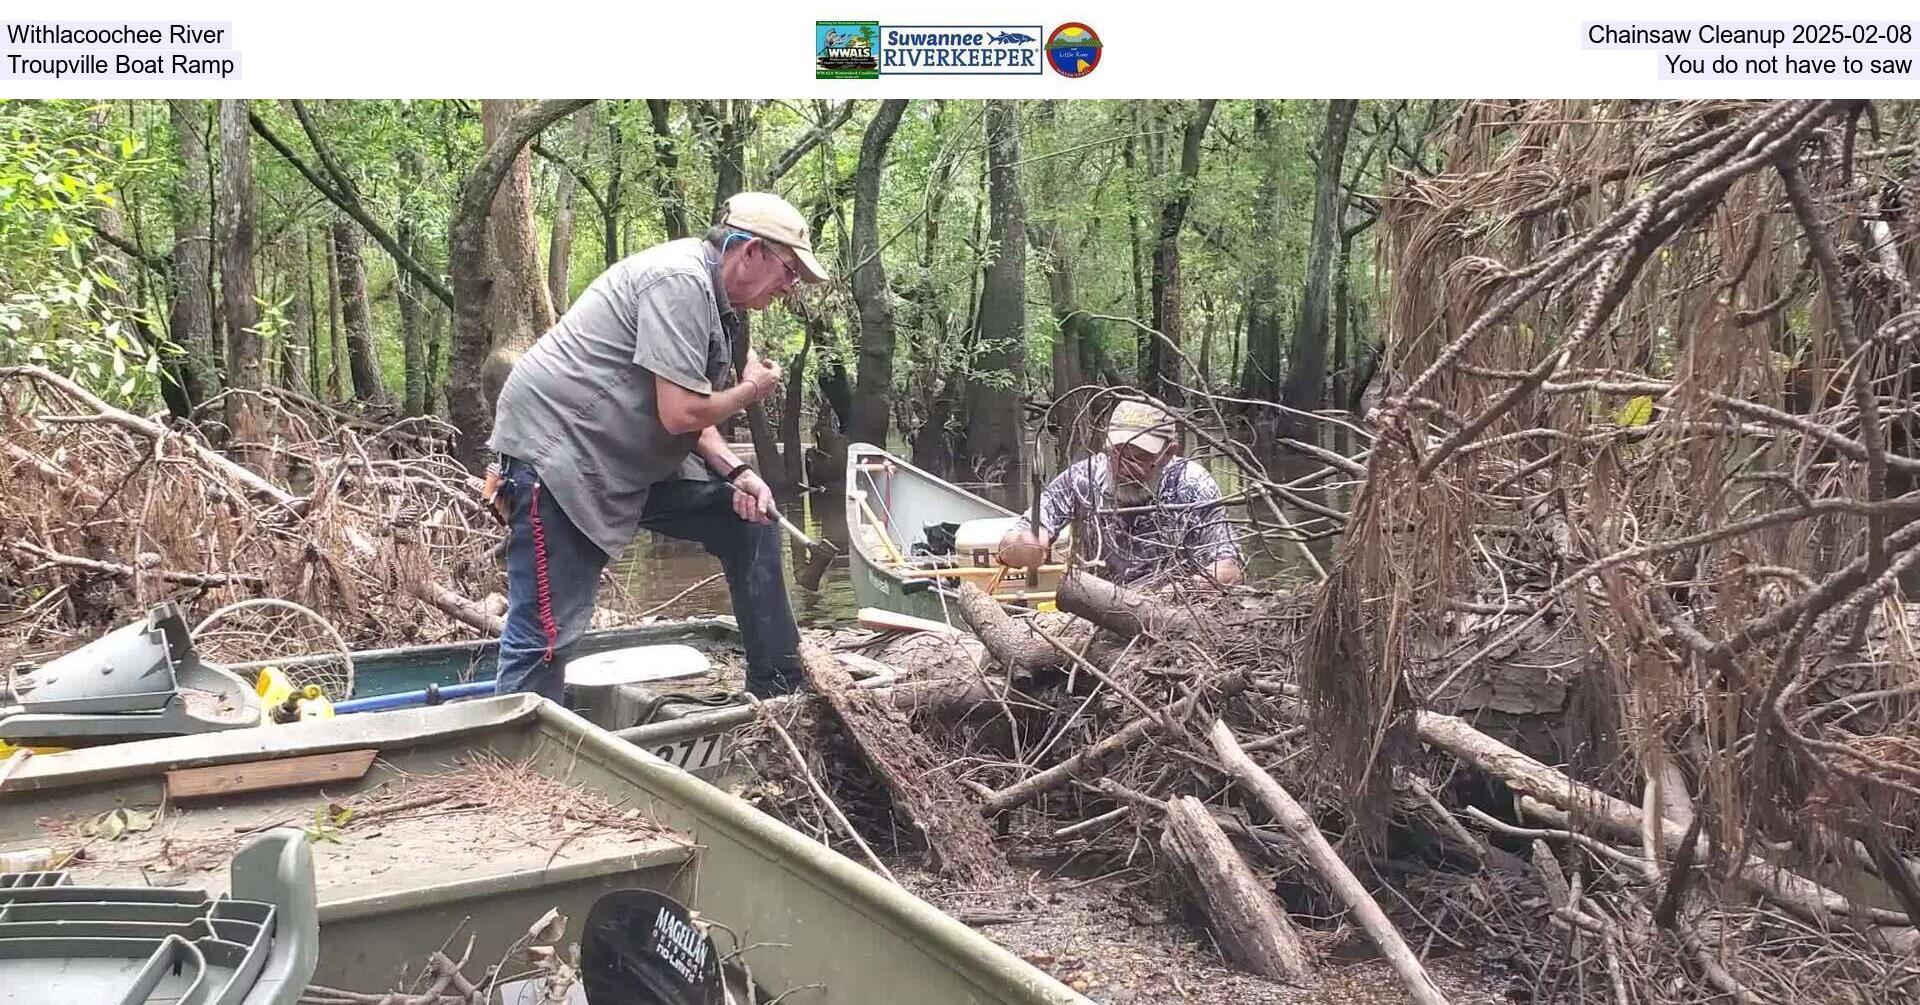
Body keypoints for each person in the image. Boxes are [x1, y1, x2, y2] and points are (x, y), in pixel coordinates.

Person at [484, 191, 829, 702]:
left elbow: (687, 414)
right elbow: (683, 413)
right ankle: (522, 762)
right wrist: (752, 391)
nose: (790, 285)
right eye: (788, 269)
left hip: (625, 457)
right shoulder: (680, 282)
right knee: (547, 634)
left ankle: (779, 697)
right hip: (560, 454)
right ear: (750, 251)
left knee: (749, 518)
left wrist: (738, 474)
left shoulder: (719, 303)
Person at [997, 401, 1243, 586]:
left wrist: (1167, 597)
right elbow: (1015, 539)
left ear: (1169, 453)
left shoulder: (1193, 484)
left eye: (1140, 457)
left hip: (1174, 616)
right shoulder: (1083, 478)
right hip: (1094, 613)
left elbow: (1229, 567)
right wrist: (1022, 547)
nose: (1124, 465)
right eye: (1117, 453)